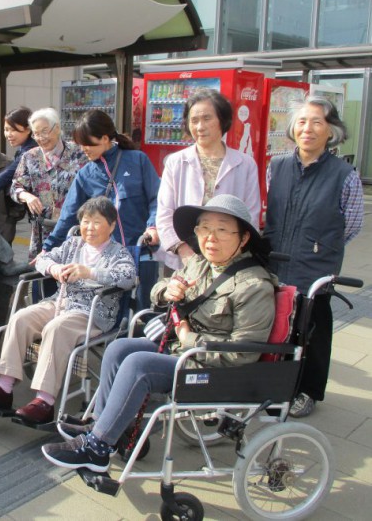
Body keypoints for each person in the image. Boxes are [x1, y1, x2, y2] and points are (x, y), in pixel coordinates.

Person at [42, 195, 277, 472]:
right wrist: (168, 291)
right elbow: (158, 290)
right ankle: (104, 424)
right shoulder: (200, 264)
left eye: (222, 230)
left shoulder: (254, 285)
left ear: (244, 238)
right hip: (185, 352)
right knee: (120, 349)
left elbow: (241, 353)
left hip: (215, 369)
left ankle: (97, 447)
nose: (210, 238)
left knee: (139, 364)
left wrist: (188, 337)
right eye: (203, 228)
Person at [0, 197, 136, 424]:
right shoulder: (73, 244)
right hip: (60, 302)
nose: (89, 228)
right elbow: (42, 259)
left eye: (97, 222)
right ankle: (3, 388)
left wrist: (91, 272)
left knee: (56, 328)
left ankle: (44, 401)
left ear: (112, 225)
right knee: (20, 318)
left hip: (91, 312)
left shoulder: (119, 253)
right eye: (86, 221)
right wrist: (53, 268)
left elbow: (128, 278)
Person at [263, 95, 363, 418]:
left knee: (313, 330)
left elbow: (351, 224)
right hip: (277, 260)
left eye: (317, 122)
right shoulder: (276, 166)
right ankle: (274, 386)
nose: (308, 128)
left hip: (316, 267)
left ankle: (308, 391)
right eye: (302, 121)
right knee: (276, 327)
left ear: (330, 131)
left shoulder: (343, 174)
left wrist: (320, 246)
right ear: (293, 127)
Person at [157, 89, 260, 270]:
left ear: (223, 119)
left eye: (207, 119)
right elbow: (165, 213)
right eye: (194, 120)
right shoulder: (176, 162)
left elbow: (251, 215)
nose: (199, 127)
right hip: (183, 261)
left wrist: (232, 254)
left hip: (230, 261)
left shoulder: (245, 164)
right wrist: (183, 250)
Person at [44, 109, 159, 251]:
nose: (83, 149)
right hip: (105, 256)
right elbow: (68, 216)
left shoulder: (138, 160)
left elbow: (157, 198)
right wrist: (47, 248)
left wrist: (152, 226)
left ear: (105, 138)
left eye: (87, 143)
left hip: (141, 249)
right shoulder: (85, 174)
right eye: (80, 144)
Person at [10, 108, 86, 259]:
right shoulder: (30, 157)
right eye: (36, 133)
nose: (40, 137)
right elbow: (15, 187)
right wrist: (26, 196)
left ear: (57, 128)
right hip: (43, 229)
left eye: (45, 131)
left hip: (75, 228)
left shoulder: (78, 153)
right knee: (43, 274)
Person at [0, 107, 38, 210]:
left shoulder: (30, 151)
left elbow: (9, 173)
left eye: (13, 130)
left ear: (28, 129)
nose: (8, 134)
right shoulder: (24, 148)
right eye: (6, 130)